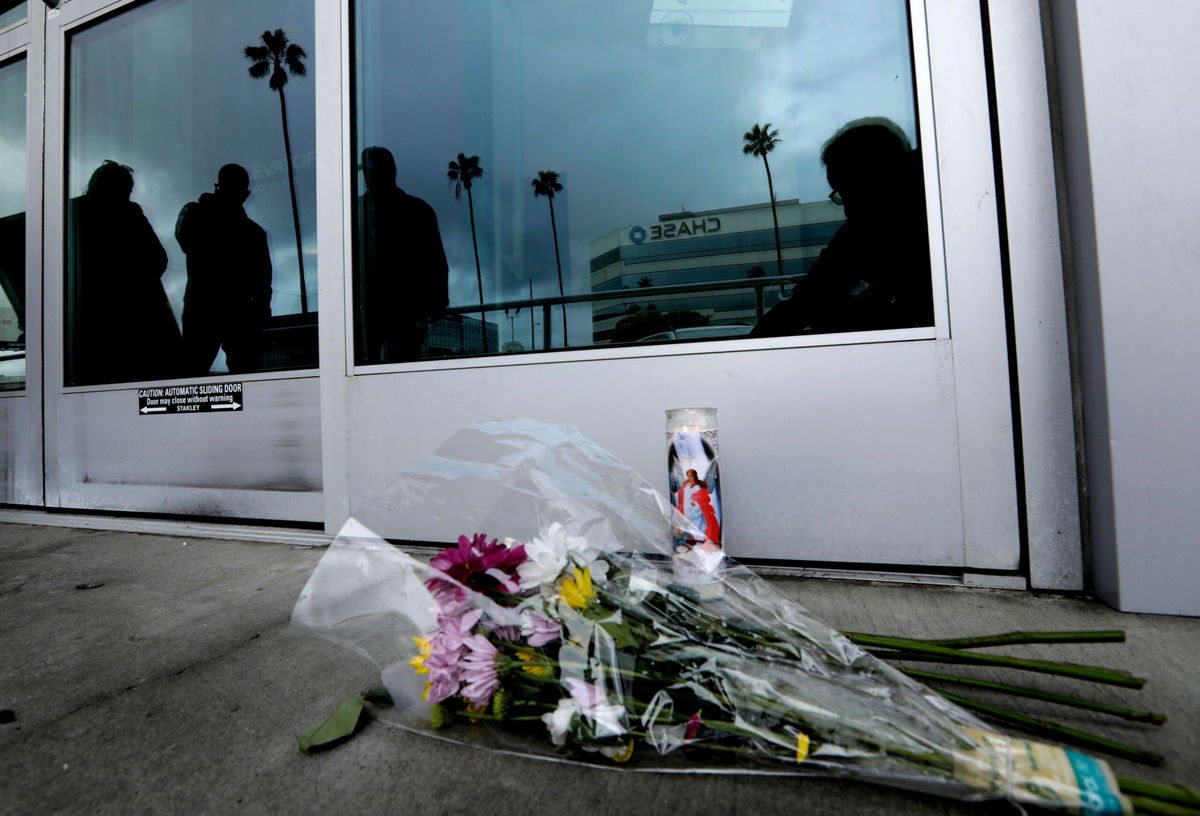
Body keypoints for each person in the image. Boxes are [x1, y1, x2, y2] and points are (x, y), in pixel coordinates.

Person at [750, 118, 933, 338]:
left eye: (848, 191)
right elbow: (809, 296)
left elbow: (805, 302)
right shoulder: (931, 201)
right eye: (840, 194)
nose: (846, 208)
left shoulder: (866, 230)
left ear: (877, 181)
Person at [68, 160, 182, 385]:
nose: (127, 196)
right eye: (125, 190)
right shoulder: (128, 213)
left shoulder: (72, 212)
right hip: (132, 324)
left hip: (91, 325)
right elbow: (158, 258)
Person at [175, 164, 273, 374]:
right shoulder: (196, 213)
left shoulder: (253, 233)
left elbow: (263, 280)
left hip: (221, 312)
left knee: (195, 373)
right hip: (211, 311)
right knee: (195, 372)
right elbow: (189, 241)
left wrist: (262, 309)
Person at [357, 146, 449, 363]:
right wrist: (435, 304)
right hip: (395, 310)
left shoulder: (355, 210)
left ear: (389, 171)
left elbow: (436, 262)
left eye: (371, 169)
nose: (368, 175)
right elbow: (437, 262)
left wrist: (433, 305)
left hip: (397, 310)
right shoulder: (417, 209)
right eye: (366, 170)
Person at [675, 468, 721, 546]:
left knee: (697, 524)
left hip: (695, 510)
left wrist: (695, 503)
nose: (689, 478)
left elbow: (702, 497)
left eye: (691, 476)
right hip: (687, 510)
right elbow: (682, 494)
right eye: (688, 476)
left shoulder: (697, 487)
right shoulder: (686, 485)